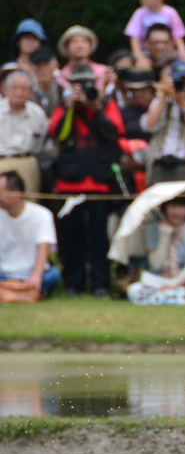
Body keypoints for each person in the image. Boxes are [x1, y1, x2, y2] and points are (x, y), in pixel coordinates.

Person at [49, 63, 124, 296]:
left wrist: (96, 109)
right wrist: (71, 107)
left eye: (88, 83)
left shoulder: (106, 105)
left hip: (99, 183)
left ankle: (101, 283)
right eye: (78, 84)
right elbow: (58, 134)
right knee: (72, 236)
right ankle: (73, 283)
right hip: (70, 183)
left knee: (99, 236)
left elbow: (113, 135)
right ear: (71, 86)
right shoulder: (64, 107)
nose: (84, 88)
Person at [142, 60, 185, 185]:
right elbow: (148, 125)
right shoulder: (160, 100)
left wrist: (183, 103)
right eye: (179, 80)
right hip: (160, 163)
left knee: (183, 203)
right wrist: (163, 97)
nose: (182, 84)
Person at [126, 195, 185, 305]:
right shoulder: (152, 230)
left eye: (181, 207)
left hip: (183, 282)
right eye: (173, 206)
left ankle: (165, 298)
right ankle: (173, 299)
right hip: (157, 281)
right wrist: (164, 237)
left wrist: (172, 283)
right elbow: (156, 264)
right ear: (165, 208)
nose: (177, 212)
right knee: (134, 290)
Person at [0, 171, 60, 298]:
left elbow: (44, 248)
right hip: (4, 274)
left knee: (53, 275)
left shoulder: (42, 214)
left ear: (17, 192)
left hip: (31, 275)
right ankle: (25, 293)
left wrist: (36, 276)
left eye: (1, 192)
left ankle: (15, 292)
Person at [0, 69, 48, 196]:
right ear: (6, 90)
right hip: (2, 160)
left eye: (23, 88)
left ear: (30, 92)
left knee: (30, 200)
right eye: (14, 88)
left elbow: (42, 140)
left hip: (28, 161)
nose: (19, 93)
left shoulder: (37, 113)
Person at [125, 0, 185, 70]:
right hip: (147, 51)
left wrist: (183, 52)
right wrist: (140, 57)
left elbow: (178, 36)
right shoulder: (140, 13)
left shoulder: (170, 13)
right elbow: (134, 38)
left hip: (167, 51)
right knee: (142, 67)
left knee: (177, 66)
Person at [57, 26, 107, 92]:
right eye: (74, 42)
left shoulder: (104, 72)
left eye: (83, 41)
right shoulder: (60, 77)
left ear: (90, 46)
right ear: (66, 48)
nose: (80, 46)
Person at [30, 46, 60, 117]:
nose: (43, 69)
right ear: (32, 68)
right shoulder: (27, 92)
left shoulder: (62, 91)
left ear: (55, 66)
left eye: (46, 64)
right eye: (38, 65)